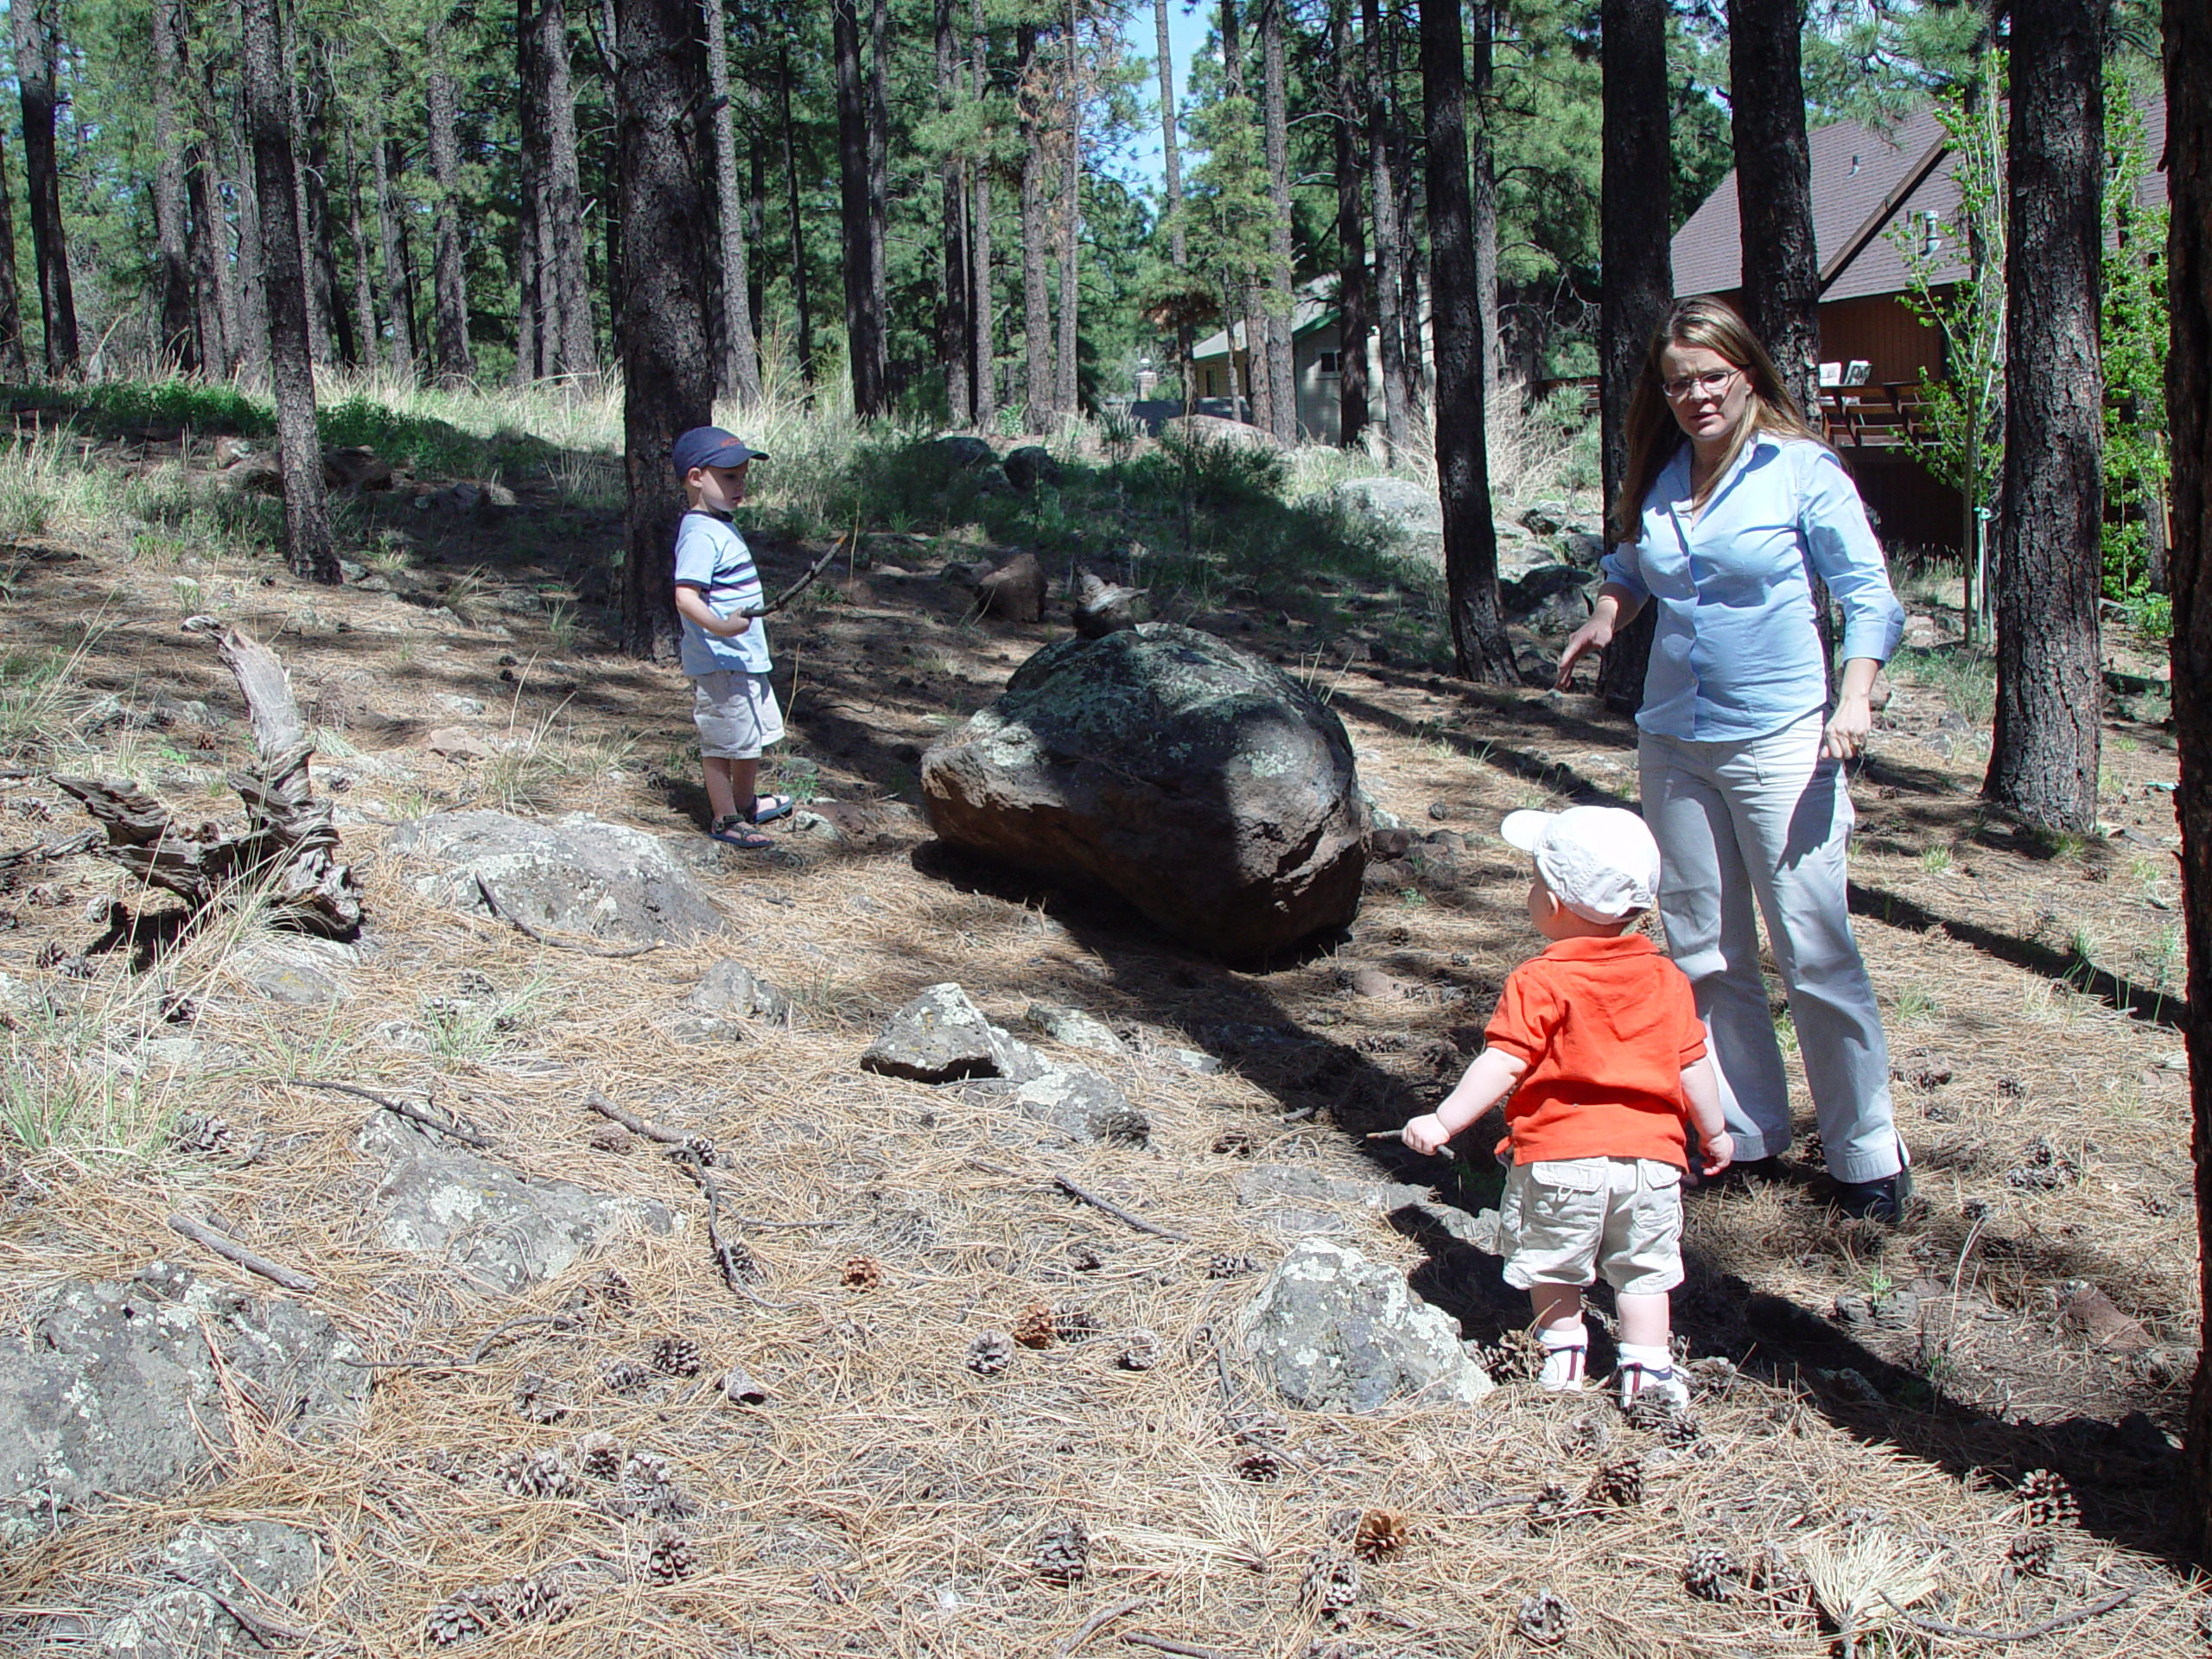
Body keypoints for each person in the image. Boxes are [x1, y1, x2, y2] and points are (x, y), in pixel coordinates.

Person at [1555, 296, 1910, 1219]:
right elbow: (1634, 567)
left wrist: (1858, 694)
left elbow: (1870, 598)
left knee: (1813, 950)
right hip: (1674, 740)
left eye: (1711, 376)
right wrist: (1606, 612)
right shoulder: (1666, 474)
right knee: (1706, 953)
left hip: (1782, 740)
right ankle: (1748, 1132)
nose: (1696, 396)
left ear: (1745, 373)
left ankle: (1866, 1156)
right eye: (1678, 383)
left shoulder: (1801, 472)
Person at [1402, 806, 1730, 1407]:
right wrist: (1715, 1131)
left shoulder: (1540, 980)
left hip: (1560, 1158)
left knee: (1554, 1264)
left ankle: (1561, 1355)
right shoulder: (1667, 980)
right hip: (1650, 1164)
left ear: (1552, 902)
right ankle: (1648, 1369)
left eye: (1532, 883)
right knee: (1644, 1273)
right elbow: (1693, 1064)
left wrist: (1444, 1119)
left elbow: (1502, 1063)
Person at [671, 426, 793, 850]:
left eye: (742, 476)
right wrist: (721, 628)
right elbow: (685, 597)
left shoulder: (720, 523)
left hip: (745, 656)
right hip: (722, 659)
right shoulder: (699, 532)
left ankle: (744, 804)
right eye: (729, 477)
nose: (740, 486)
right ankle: (725, 818)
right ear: (696, 478)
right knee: (723, 739)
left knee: (750, 736)